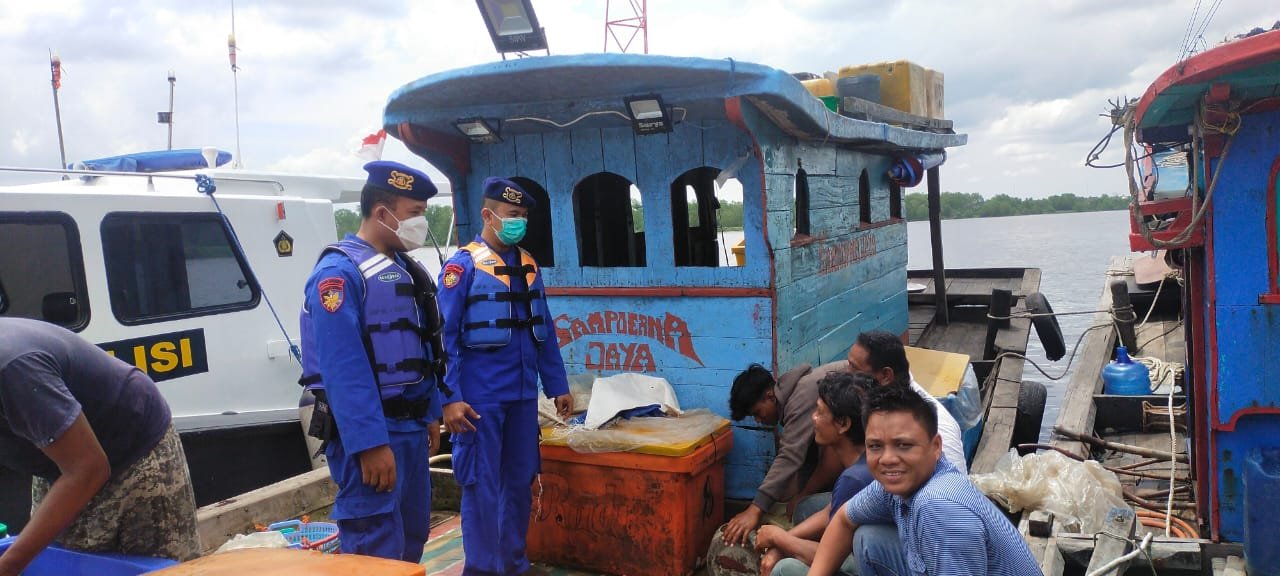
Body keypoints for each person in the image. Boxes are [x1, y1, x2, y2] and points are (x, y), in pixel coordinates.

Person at [298, 160, 445, 562]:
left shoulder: (405, 270)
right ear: (383, 214)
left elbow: (423, 347)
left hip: (411, 428)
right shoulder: (338, 275)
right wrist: (369, 444)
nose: (421, 222)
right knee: (374, 545)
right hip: (373, 435)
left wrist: (431, 411)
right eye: (415, 213)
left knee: (412, 535)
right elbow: (343, 368)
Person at [437, 177, 573, 575]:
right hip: (479, 400)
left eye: (523, 217)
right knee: (481, 486)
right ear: (488, 215)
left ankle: (514, 564)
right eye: (512, 215)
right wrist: (449, 398)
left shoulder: (528, 264)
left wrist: (558, 385)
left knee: (519, 483)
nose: (519, 223)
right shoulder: (461, 267)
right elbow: (442, 338)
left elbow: (543, 329)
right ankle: (481, 569)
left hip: (521, 397)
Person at [0, 318, 199, 576]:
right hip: (57, 461)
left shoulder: (15, 368)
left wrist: (8, 566)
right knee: (58, 557)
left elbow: (87, 468)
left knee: (150, 570)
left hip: (130, 455)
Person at [809, 384, 1039, 576]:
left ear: (936, 446)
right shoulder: (897, 483)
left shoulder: (938, 508)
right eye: (875, 446)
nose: (888, 459)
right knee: (868, 539)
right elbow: (843, 520)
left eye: (904, 445)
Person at [757, 371, 876, 576]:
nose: (813, 418)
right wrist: (784, 540)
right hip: (870, 545)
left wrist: (781, 540)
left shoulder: (854, 479)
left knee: (785, 569)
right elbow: (830, 511)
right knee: (807, 508)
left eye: (820, 412)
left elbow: (830, 557)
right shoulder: (866, 455)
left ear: (843, 424)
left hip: (872, 566)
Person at [723, 362, 846, 547]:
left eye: (757, 412)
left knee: (805, 511)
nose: (758, 420)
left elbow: (790, 456)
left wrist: (755, 509)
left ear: (770, 396)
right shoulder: (792, 392)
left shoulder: (802, 396)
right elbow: (804, 453)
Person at [846, 331, 967, 473]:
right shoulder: (885, 401)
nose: (847, 374)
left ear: (886, 375)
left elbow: (952, 484)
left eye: (854, 368)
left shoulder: (937, 424)